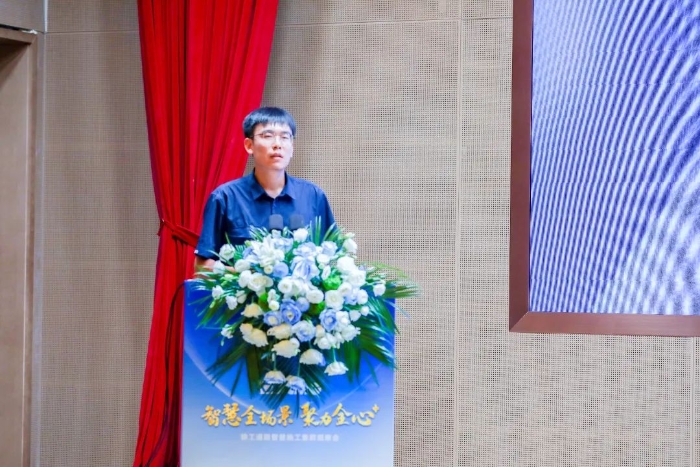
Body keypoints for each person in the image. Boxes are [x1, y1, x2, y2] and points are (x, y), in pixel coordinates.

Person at [194, 107, 336, 269]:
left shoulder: (313, 196)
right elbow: (202, 266)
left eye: (285, 137)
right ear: (249, 145)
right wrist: (247, 276)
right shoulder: (225, 197)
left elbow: (332, 256)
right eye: (268, 136)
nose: (277, 144)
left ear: (292, 147)